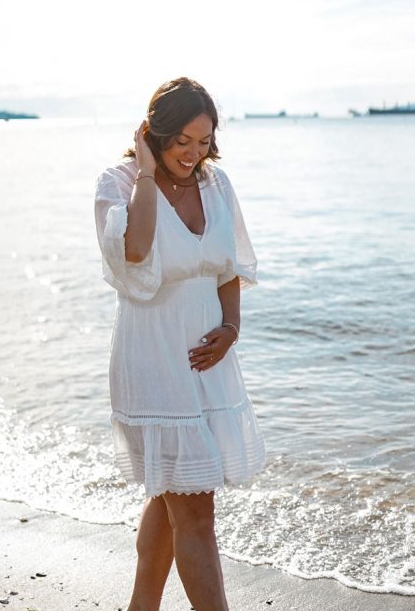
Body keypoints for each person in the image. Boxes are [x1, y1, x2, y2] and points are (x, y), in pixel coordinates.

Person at [94, 77, 265, 611]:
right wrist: (147, 173)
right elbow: (138, 252)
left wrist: (231, 330)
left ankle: (140, 607)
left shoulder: (216, 184)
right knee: (194, 509)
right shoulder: (118, 184)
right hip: (154, 359)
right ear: (153, 133)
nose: (194, 154)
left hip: (209, 360)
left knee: (173, 494)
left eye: (204, 141)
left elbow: (228, 267)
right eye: (182, 141)